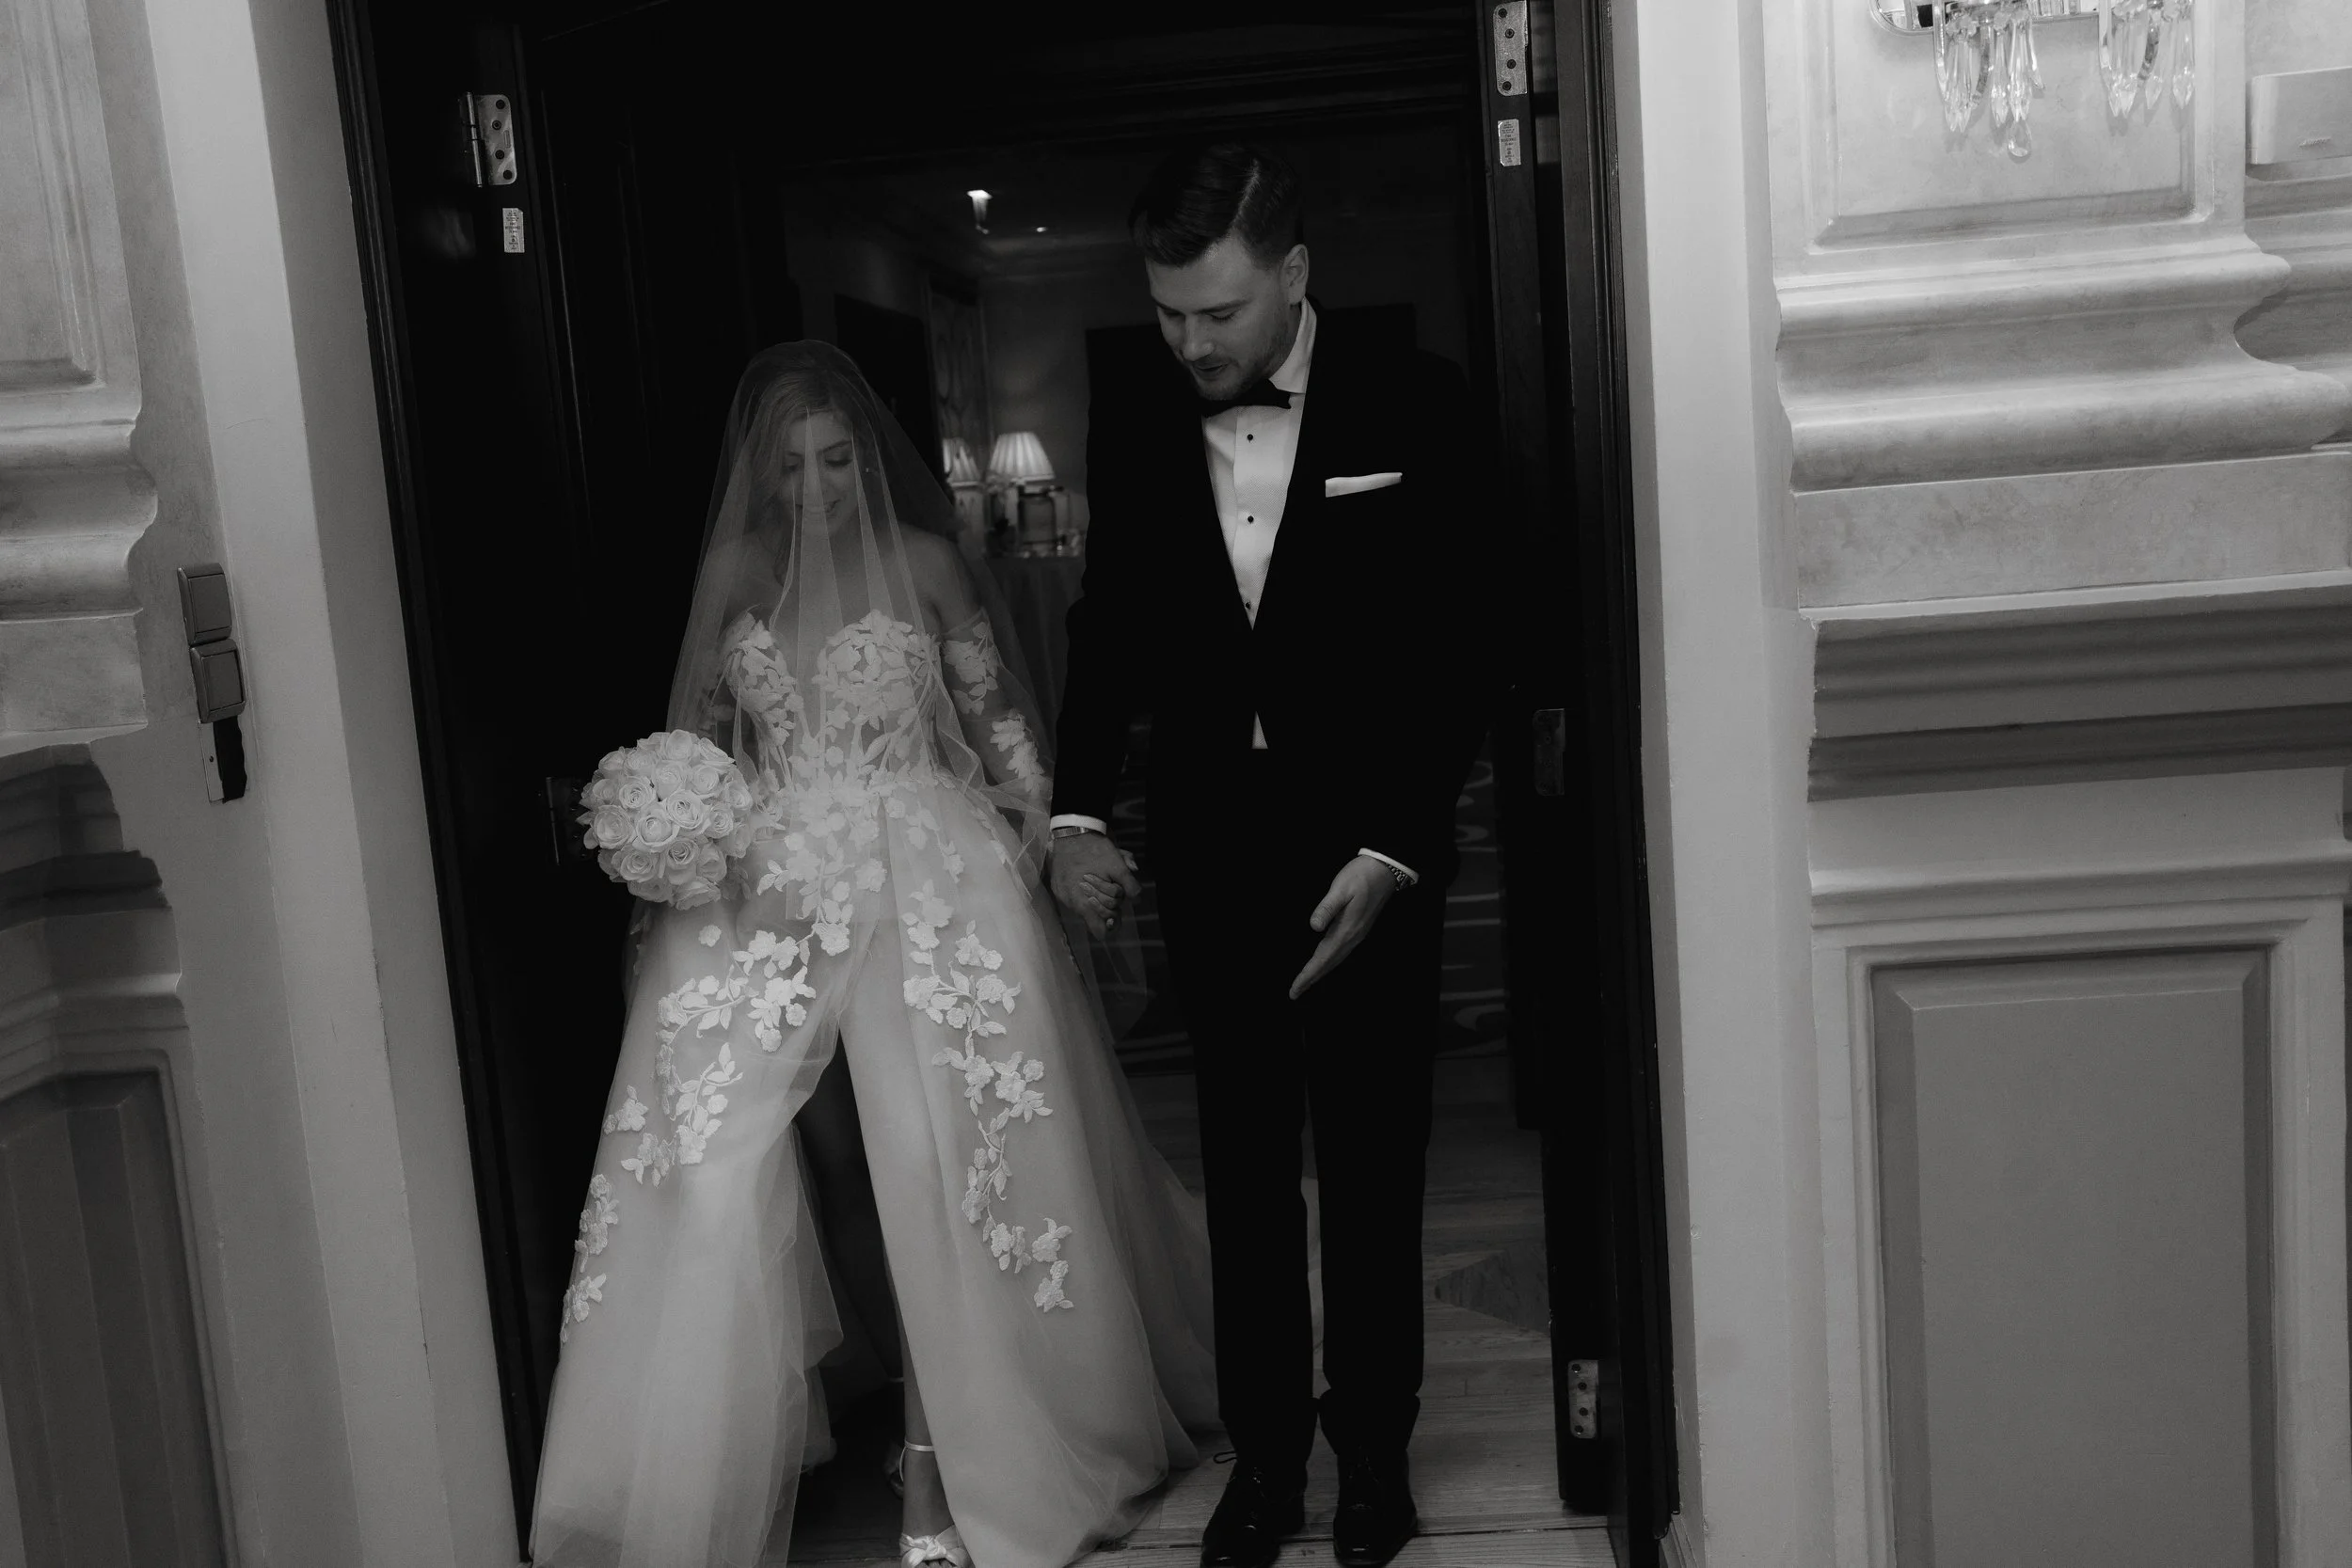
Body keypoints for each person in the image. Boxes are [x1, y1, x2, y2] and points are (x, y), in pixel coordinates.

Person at [532, 342, 1218, 1568]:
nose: (818, 483)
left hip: (926, 880)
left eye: (837, 457)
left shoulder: (928, 565)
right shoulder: (739, 574)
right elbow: (701, 743)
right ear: (765, 474)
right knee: (797, 1164)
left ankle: (937, 1471)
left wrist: (1050, 833)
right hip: (771, 895)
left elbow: (997, 728)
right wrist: (684, 829)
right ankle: (788, 1420)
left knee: (938, 1168)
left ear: (868, 455)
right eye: (793, 463)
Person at [1048, 143, 1491, 1568]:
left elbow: (1461, 642)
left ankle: (1374, 1458)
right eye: (1170, 314)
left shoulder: (1417, 402)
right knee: (1241, 1176)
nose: (1190, 343)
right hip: (1214, 852)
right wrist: (1073, 812)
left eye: (1219, 314)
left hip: (1372, 853)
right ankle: (1270, 1463)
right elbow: (1107, 625)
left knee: (1372, 1166)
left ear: (1294, 276)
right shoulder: (1132, 415)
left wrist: (1401, 842)